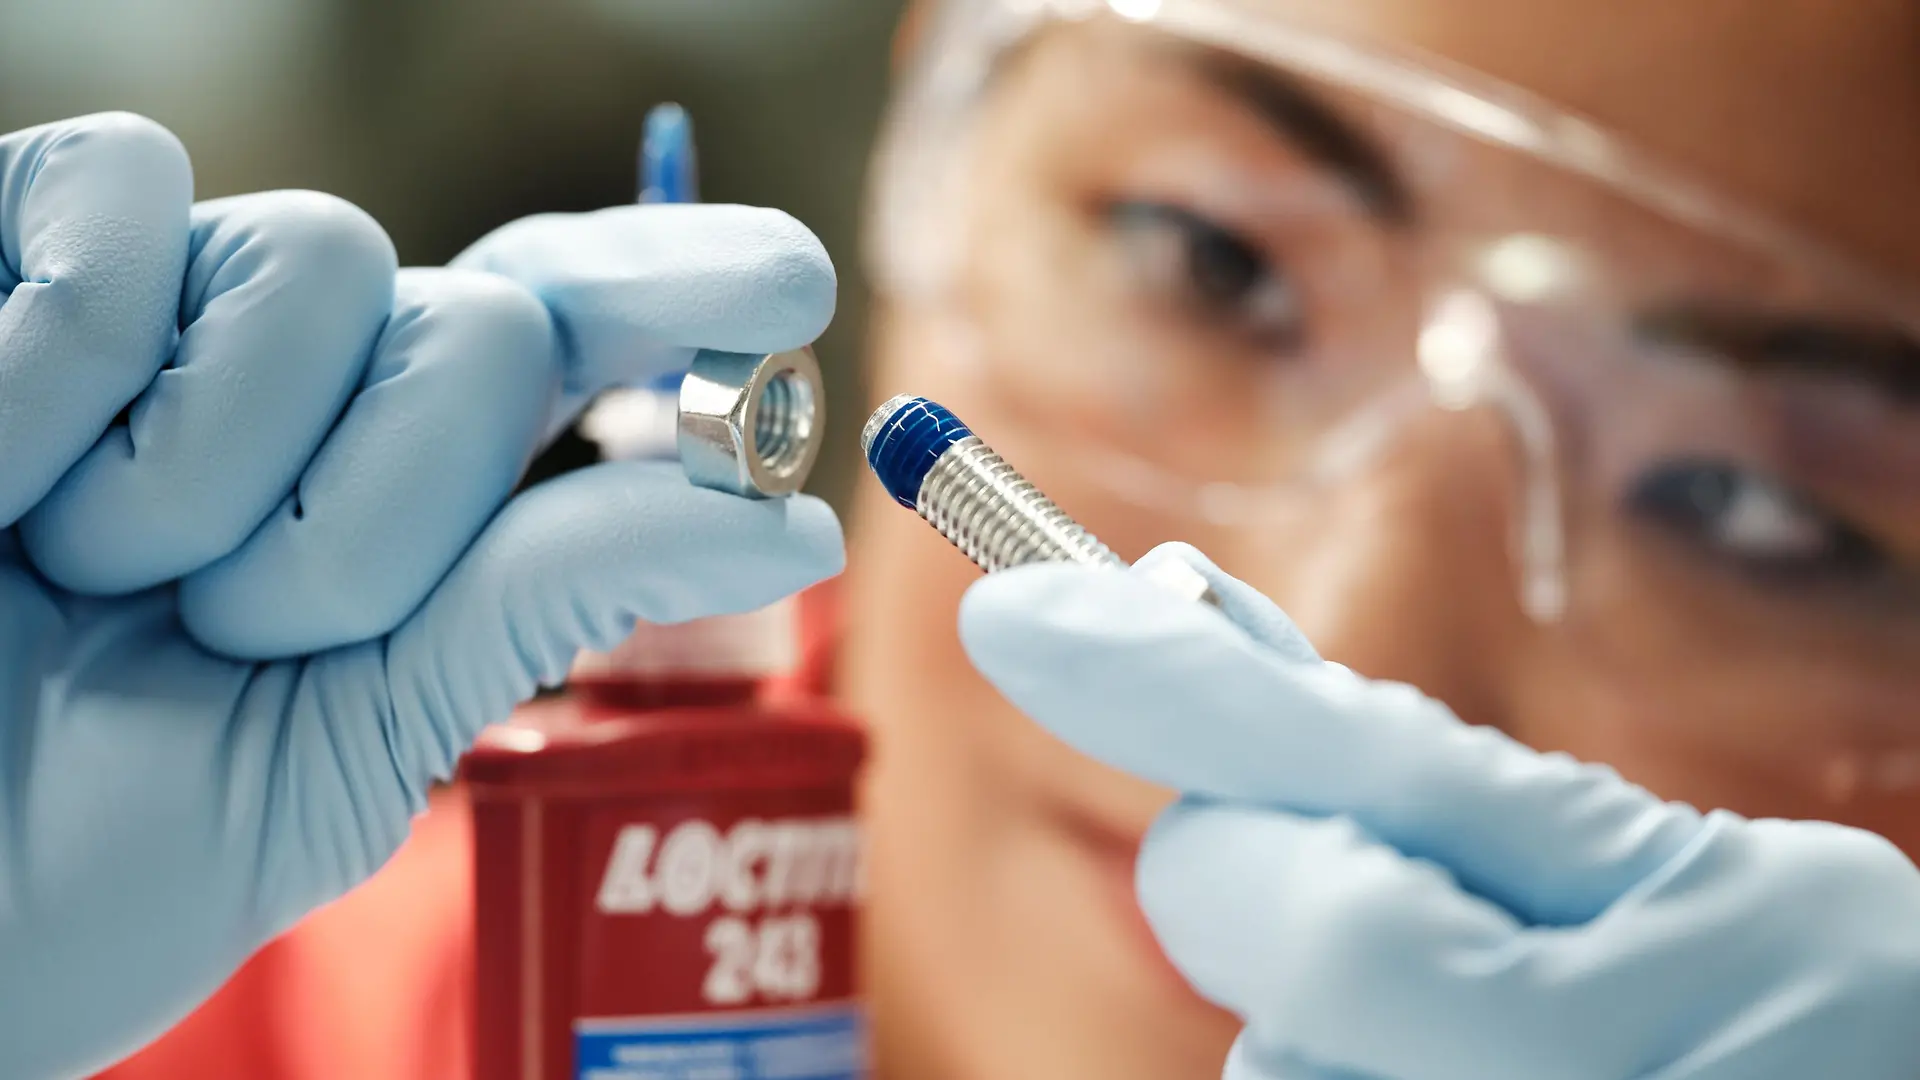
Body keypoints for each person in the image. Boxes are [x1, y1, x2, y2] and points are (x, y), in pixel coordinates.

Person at [3, 0, 1918, 1078]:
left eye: (1752, 506)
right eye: (1208, 257)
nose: (1333, 645)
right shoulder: (184, 978)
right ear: (928, 137)